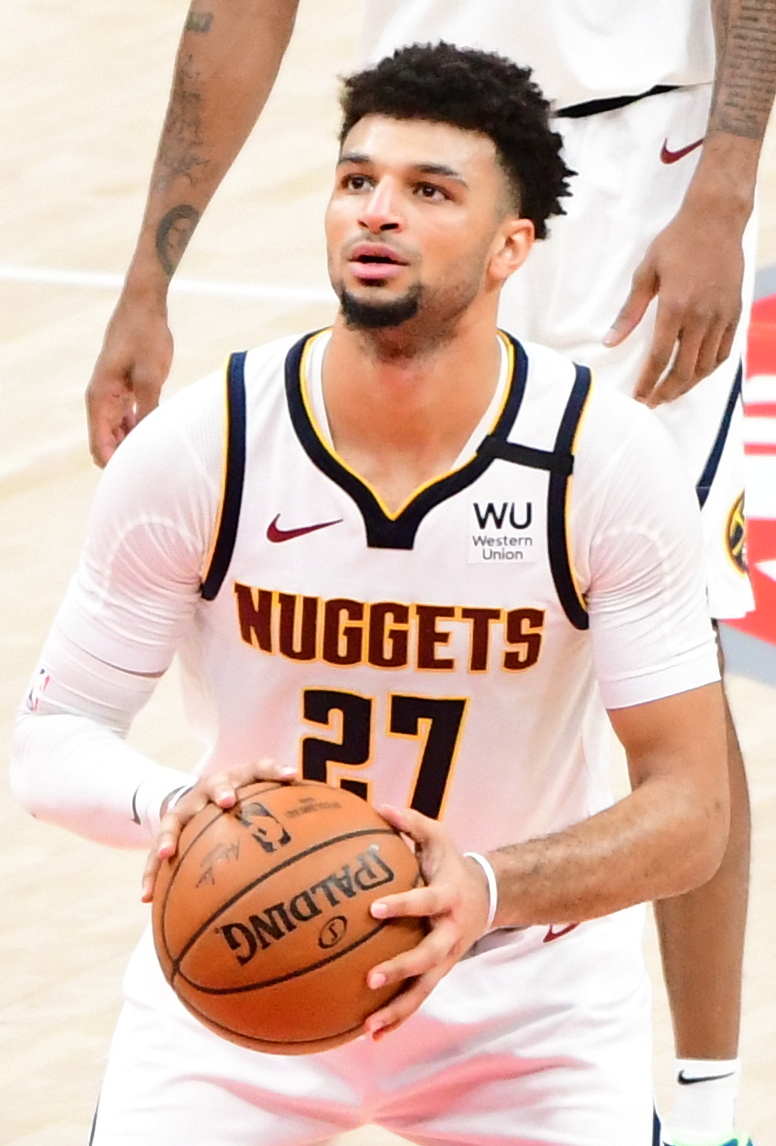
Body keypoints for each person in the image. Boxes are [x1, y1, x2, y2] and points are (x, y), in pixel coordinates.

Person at [14, 43, 729, 1146]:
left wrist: (486, 885)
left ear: (511, 246)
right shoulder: (208, 447)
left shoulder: (602, 464)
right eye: (357, 180)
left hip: (522, 1002)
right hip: (243, 966)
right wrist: (175, 808)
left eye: (429, 191)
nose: (377, 212)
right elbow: (53, 735)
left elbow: (690, 812)